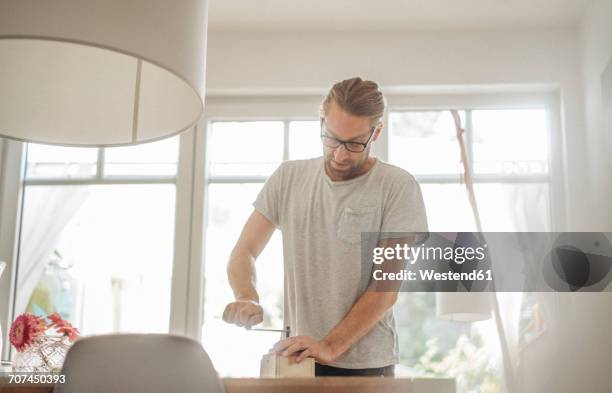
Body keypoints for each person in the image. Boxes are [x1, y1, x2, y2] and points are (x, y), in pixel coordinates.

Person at [222, 77, 428, 377]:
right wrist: (245, 296)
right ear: (321, 122)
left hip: (366, 367)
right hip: (297, 359)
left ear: (376, 133)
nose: (340, 154)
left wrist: (329, 346)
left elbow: (385, 288)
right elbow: (244, 251)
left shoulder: (397, 186)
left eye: (355, 143)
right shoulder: (288, 178)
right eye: (331, 138)